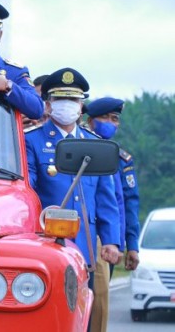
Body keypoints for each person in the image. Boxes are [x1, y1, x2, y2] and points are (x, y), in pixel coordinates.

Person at [25, 68, 121, 289]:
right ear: (48, 105)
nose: (67, 104)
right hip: (47, 243)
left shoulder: (96, 143)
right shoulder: (31, 140)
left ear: (80, 107)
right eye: (60, 98)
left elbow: (106, 198)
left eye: (73, 99)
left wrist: (110, 241)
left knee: (83, 314)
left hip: (85, 243)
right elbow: (28, 192)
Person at [85, 97, 140, 332]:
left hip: (109, 244)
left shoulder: (121, 158)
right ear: (90, 122)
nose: (110, 123)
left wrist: (132, 245)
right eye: (104, 118)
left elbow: (129, 203)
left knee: (99, 300)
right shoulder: (79, 149)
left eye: (114, 119)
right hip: (85, 234)